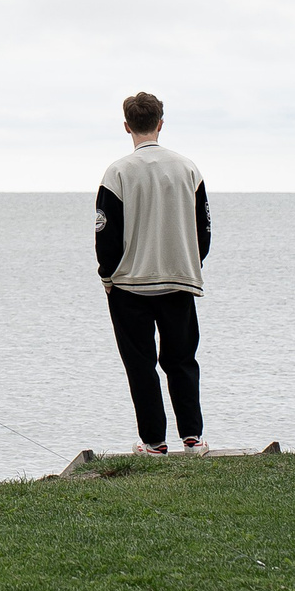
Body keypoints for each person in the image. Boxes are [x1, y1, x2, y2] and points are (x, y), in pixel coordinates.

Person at [95, 92, 211, 455]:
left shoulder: (117, 172)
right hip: (179, 279)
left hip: (130, 285)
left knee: (141, 365)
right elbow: (203, 230)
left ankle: (154, 442)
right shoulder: (187, 168)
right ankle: (192, 438)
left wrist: (107, 277)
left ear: (127, 126)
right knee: (181, 361)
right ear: (161, 123)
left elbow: (106, 232)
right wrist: (192, 262)